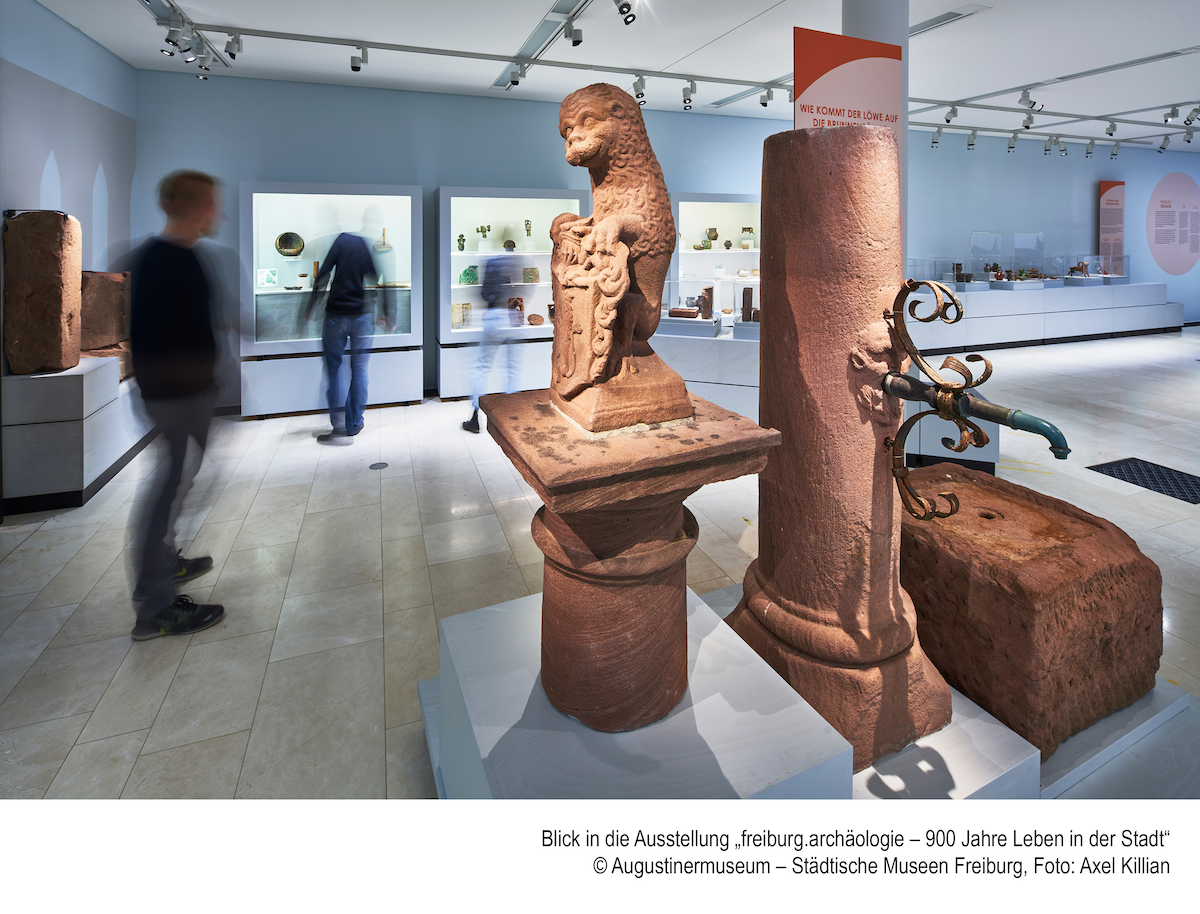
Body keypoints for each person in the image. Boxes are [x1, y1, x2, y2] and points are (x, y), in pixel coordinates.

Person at [128, 170, 225, 640]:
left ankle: (166, 564)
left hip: (189, 392)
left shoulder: (184, 256)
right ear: (186, 205)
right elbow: (151, 338)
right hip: (175, 396)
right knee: (167, 491)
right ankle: (154, 607)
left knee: (177, 486)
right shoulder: (160, 259)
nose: (217, 212)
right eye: (209, 203)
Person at [302, 226, 389, 441]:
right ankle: (354, 423)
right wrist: (383, 311)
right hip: (360, 315)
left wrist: (311, 306)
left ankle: (338, 425)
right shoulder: (362, 244)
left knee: (334, 370)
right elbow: (375, 276)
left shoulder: (340, 241)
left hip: (335, 314)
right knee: (359, 370)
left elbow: (323, 273)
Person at [462, 254, 520, 433]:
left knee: (482, 367)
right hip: (512, 316)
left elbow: (485, 293)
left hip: (494, 316)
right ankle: (511, 417)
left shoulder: (492, 261)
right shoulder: (515, 261)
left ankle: (475, 416)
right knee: (511, 368)